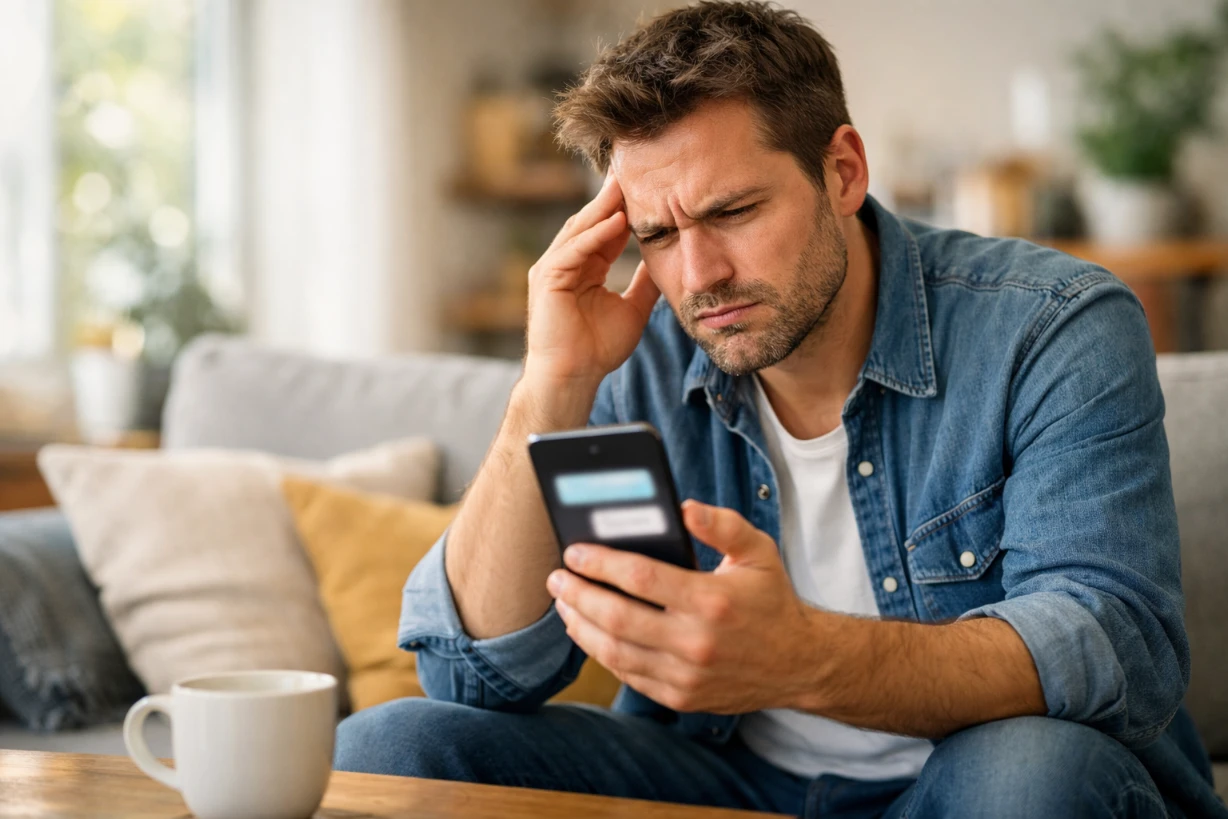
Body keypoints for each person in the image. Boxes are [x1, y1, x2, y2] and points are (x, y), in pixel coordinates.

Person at [334, 3, 1224, 817]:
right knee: (387, 748)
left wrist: (803, 656)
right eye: (658, 233)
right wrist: (547, 391)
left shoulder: (1049, 326)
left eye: (733, 211)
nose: (698, 275)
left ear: (841, 170)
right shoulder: (633, 352)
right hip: (720, 780)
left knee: (1034, 773)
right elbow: (473, 680)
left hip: (962, 779)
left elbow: (1114, 641)